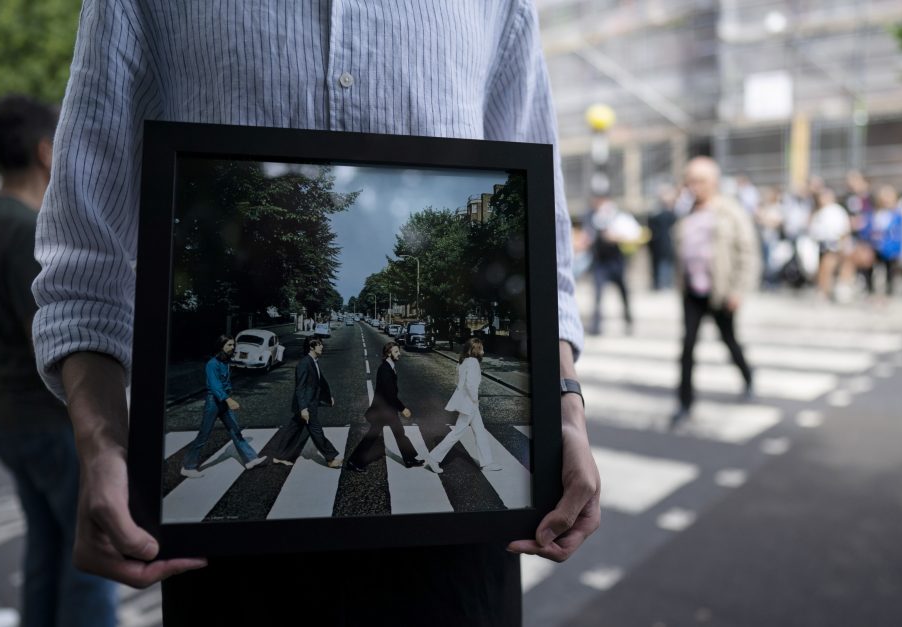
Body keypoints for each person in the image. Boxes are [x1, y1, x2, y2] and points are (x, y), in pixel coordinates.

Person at [31, 2, 600, 624]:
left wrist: (565, 409)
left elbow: (539, 246)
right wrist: (103, 445)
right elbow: (87, 260)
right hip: (232, 567)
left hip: (459, 558)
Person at [0, 94, 117, 626]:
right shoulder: (25, 232)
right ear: (45, 151)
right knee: (92, 564)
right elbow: (54, 339)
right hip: (49, 424)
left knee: (45, 553)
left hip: (4, 419)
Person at [670, 157, 760, 429]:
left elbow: (748, 252)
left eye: (700, 181)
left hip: (721, 291)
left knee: (730, 340)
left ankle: (748, 377)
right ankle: (685, 403)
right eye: (690, 181)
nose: (694, 187)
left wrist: (738, 291)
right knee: (687, 348)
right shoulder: (685, 212)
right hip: (692, 292)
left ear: (714, 182)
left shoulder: (729, 211)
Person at [180, 335, 267, 477]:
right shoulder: (212, 364)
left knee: (235, 430)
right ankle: (188, 467)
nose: (233, 348)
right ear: (221, 346)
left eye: (233, 345)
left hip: (223, 400)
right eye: (229, 345)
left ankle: (250, 459)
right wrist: (228, 399)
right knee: (204, 434)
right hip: (214, 401)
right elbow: (215, 386)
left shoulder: (225, 362)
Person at [425, 338, 499, 474]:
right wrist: (475, 399)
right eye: (481, 348)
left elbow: (457, 382)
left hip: (467, 402)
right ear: (475, 350)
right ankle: (433, 458)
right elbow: (470, 385)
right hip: (470, 403)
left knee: (480, 431)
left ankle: (487, 462)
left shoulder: (463, 362)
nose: (483, 350)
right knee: (457, 433)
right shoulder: (473, 362)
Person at [346, 342, 423, 472]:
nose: (399, 354)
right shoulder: (385, 369)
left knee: (399, 434)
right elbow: (390, 394)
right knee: (373, 436)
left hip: (388, 409)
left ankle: (409, 459)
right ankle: (354, 462)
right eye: (396, 352)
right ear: (388, 353)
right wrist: (403, 408)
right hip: (383, 410)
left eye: (398, 351)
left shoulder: (389, 366)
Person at [271, 337, 342, 468]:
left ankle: (279, 456)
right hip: (307, 405)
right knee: (316, 431)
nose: (322, 346)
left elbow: (320, 381)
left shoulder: (313, 361)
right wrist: (303, 408)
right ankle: (331, 458)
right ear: (311, 347)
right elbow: (300, 387)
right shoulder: (304, 364)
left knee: (293, 430)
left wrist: (328, 397)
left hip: (310, 402)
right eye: (319, 344)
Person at [583, 194, 641, 335]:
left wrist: (616, 237)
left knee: (623, 293)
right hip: (600, 263)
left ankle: (628, 320)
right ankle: (596, 326)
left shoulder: (620, 217)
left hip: (616, 262)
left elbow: (634, 233)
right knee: (598, 295)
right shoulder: (592, 217)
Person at [860, 184, 902, 298]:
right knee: (869, 267)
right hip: (875, 246)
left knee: (889, 271)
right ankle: (871, 291)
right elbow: (868, 230)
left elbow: (898, 234)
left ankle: (888, 294)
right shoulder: (874, 214)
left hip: (890, 248)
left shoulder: (897, 215)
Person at [807, 188, 852, 301]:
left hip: (834, 245)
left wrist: (842, 245)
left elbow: (844, 229)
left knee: (828, 267)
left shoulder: (837, 211)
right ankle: (823, 290)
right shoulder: (818, 212)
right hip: (820, 245)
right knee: (822, 269)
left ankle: (826, 292)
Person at [647, 184, 678, 290]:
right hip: (658, 245)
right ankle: (660, 284)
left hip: (668, 244)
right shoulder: (657, 212)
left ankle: (666, 284)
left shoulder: (672, 212)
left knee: (667, 265)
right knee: (660, 265)